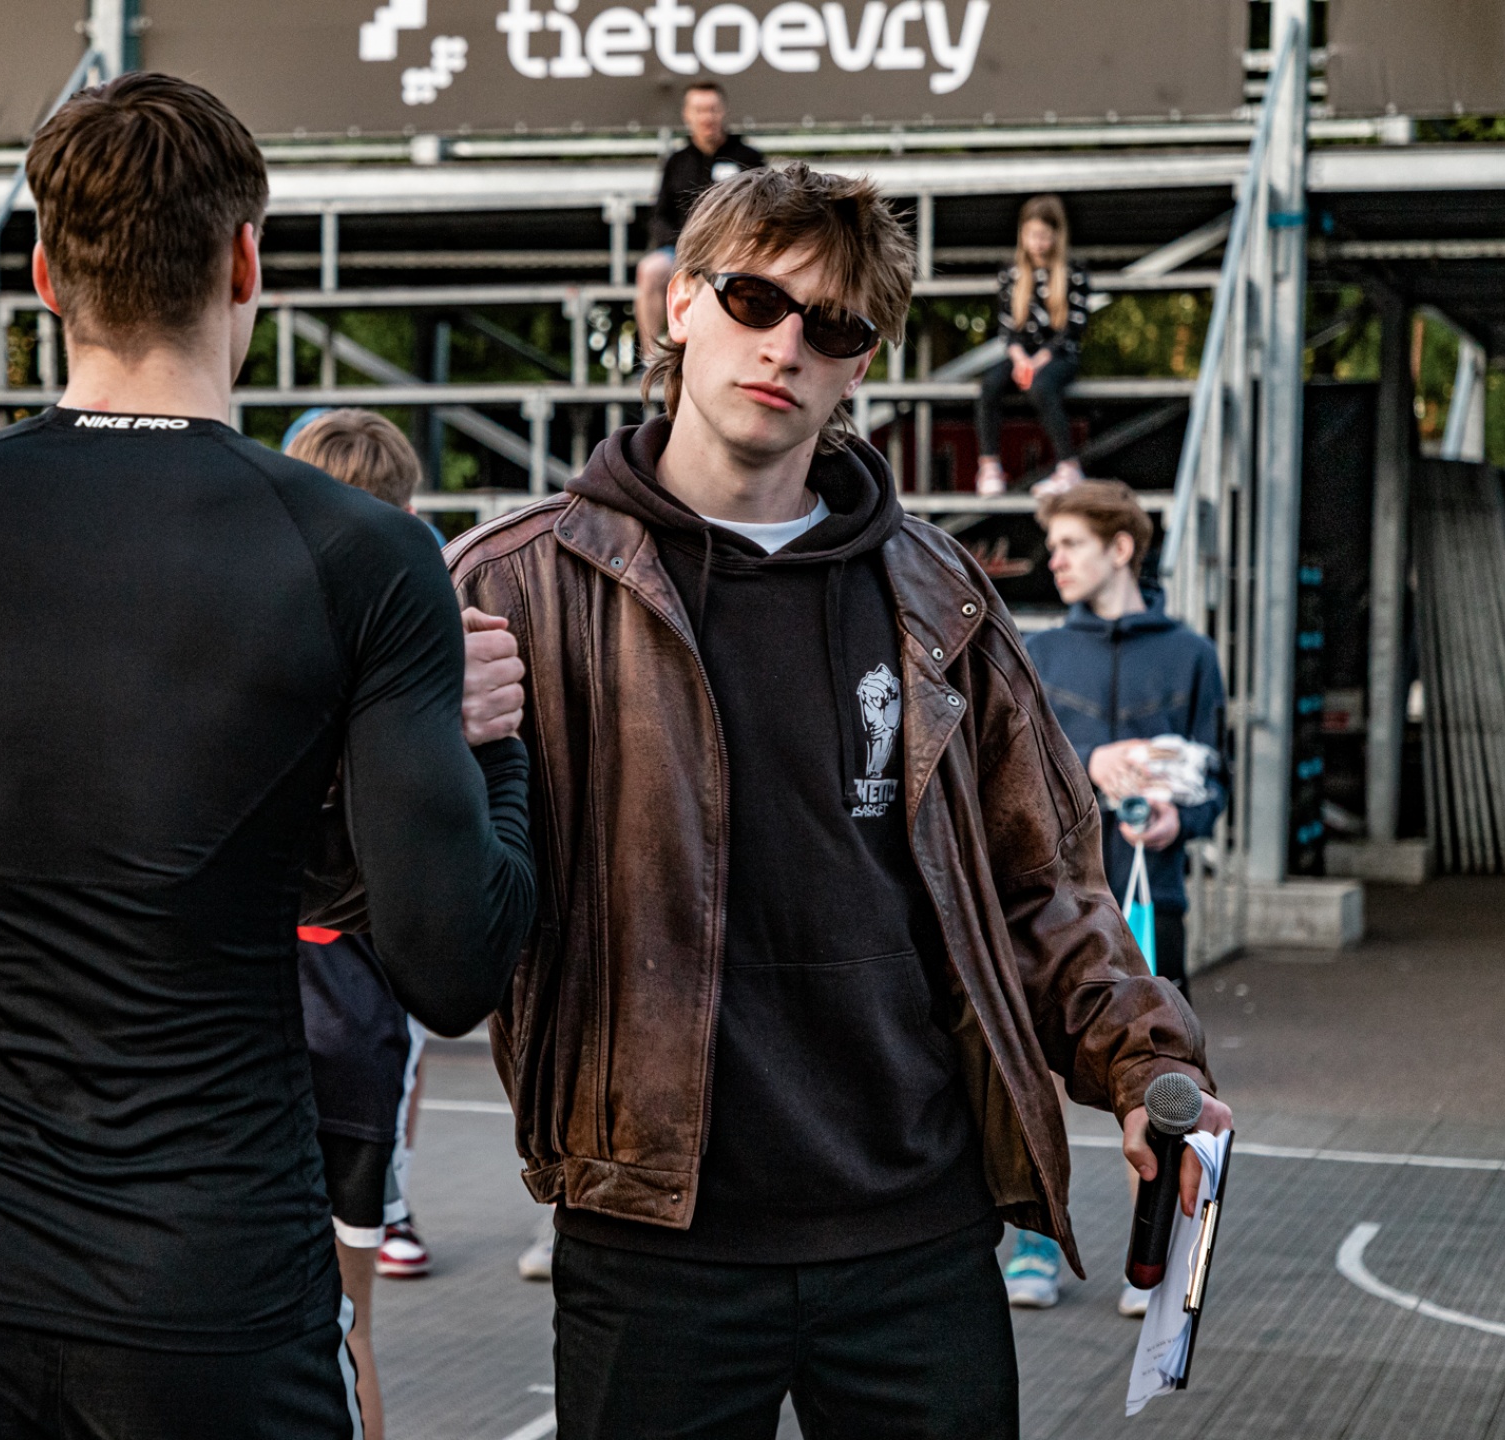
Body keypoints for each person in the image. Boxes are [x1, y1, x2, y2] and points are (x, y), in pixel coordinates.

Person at [0, 74, 535, 1440]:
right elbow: (452, 962)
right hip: (212, 1279)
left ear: (43, 274)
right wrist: (500, 760)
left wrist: (17, 883)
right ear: (247, 264)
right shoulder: (361, 553)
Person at [439, 163, 1228, 1438]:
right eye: (754, 300)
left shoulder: (939, 596)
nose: (785, 345)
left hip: (915, 1236)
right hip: (652, 1238)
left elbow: (1046, 884)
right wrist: (432, 747)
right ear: (681, 304)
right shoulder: (511, 588)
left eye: (834, 324)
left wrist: (1145, 1060)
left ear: (863, 361)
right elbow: (366, 888)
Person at [283, 407, 523, 1438]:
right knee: (343, 1332)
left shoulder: (264, 635)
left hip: (255, 1016)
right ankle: (393, 1202)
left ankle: (392, 1203)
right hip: (356, 1011)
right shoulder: (424, 639)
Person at [1003, 480, 1229, 1316]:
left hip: (1151, 899)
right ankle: (1033, 1251)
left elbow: (1212, 782)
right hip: (1047, 912)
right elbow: (1012, 782)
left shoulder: (1192, 655)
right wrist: (1093, 761)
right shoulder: (1037, 653)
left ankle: (1150, 1258)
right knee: (1033, 1072)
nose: (1053, 560)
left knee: (1157, 1074)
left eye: (1068, 543)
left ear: (1121, 548)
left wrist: (1179, 818)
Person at [634, 81, 765, 351]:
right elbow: (658, 216)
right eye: (700, 110)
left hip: (734, 251)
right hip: (681, 250)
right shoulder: (676, 161)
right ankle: (650, 359)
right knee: (649, 271)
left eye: (712, 109)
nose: (707, 117)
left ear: (724, 111)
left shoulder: (748, 157)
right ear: (687, 115)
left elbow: (763, 212)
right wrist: (684, 246)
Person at [974, 195, 1090, 497]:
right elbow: (1007, 327)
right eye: (1031, 235)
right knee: (990, 385)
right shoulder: (1011, 272)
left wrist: (1037, 361)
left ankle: (1068, 467)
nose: (1037, 243)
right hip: (1021, 354)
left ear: (1056, 235)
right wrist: (1019, 358)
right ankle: (989, 465)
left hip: (1059, 355)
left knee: (1041, 387)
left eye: (1044, 236)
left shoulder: (1073, 272)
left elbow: (1073, 327)